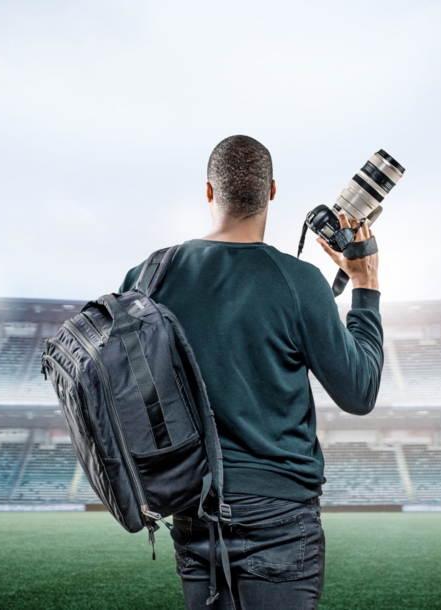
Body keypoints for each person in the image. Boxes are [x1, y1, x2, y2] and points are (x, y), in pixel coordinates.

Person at [119, 135, 383, 609]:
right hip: (279, 516)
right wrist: (364, 285)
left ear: (208, 192)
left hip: (192, 510)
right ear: (272, 192)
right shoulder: (300, 281)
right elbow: (360, 391)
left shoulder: (146, 276)